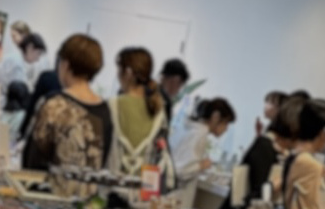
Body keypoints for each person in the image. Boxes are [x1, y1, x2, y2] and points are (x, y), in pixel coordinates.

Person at [23, 33, 112, 171]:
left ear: (65, 64)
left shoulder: (54, 105)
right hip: (88, 184)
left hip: (50, 184)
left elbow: (33, 159)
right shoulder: (105, 110)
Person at [109, 46, 172, 180]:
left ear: (128, 72)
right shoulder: (158, 110)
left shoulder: (112, 105)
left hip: (111, 184)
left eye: (119, 69)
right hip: (143, 187)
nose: (117, 75)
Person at [171, 98, 236, 182]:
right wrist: (201, 165)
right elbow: (180, 171)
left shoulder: (193, 128)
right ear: (216, 117)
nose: (226, 129)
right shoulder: (200, 133)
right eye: (226, 123)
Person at [0, 32, 45, 102]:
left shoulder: (16, 58)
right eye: (38, 53)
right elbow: (18, 91)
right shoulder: (17, 63)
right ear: (30, 47)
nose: (38, 59)